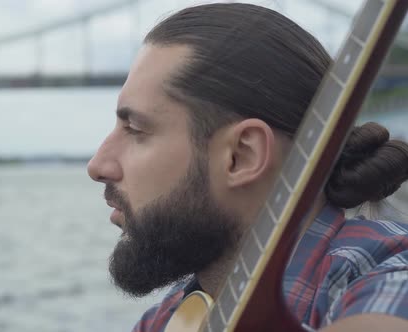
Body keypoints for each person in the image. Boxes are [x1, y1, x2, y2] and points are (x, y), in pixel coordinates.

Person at [86, 3, 408, 332]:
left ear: (242, 155)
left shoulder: (391, 270)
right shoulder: (161, 321)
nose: (98, 165)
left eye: (136, 131)